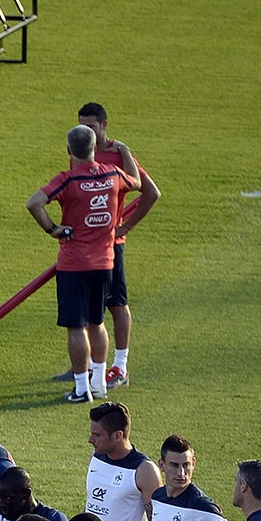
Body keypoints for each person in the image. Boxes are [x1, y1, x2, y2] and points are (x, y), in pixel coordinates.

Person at [26, 124, 141, 403]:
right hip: (105, 262)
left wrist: (54, 229)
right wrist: (124, 152)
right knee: (97, 322)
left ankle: (81, 388)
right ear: (94, 150)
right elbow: (136, 182)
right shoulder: (113, 174)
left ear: (69, 150)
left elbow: (35, 203)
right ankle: (100, 382)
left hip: (74, 263)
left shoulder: (68, 180)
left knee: (76, 327)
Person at [77, 101, 161, 389]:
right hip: (85, 245)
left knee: (116, 303)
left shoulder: (118, 155)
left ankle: (120, 367)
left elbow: (150, 191)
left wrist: (125, 226)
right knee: (89, 308)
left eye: (90, 127)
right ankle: (88, 365)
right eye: (81, 127)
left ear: (104, 125)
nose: (85, 132)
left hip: (111, 245)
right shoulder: (81, 153)